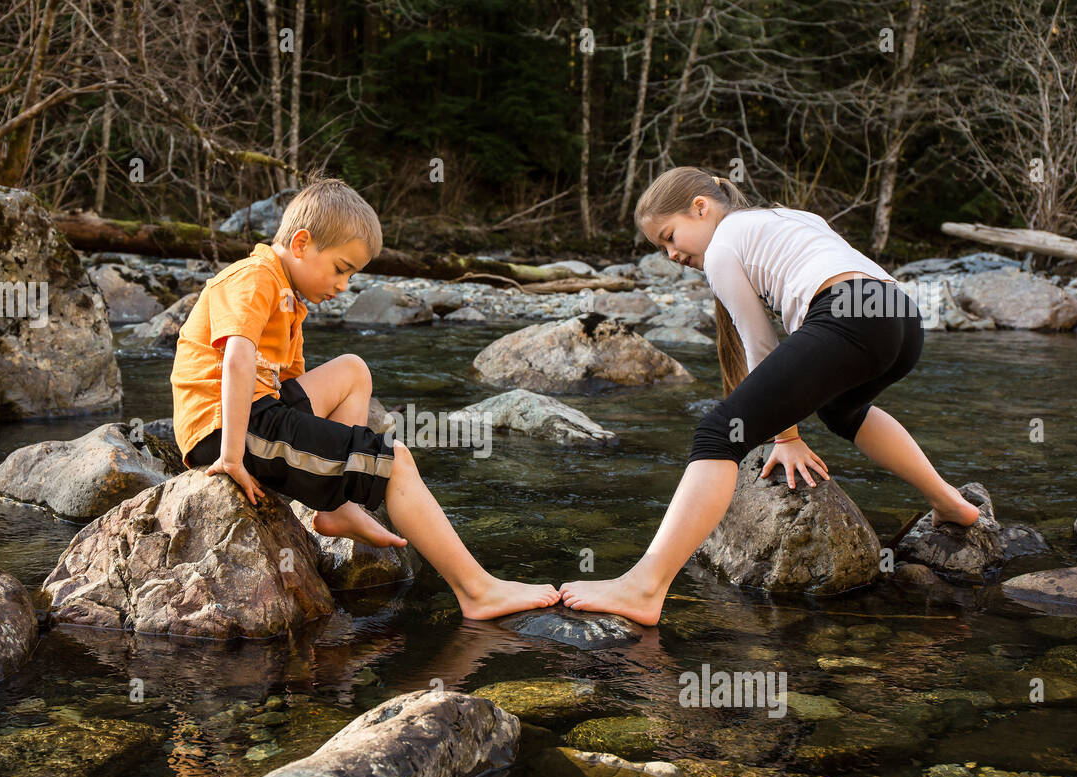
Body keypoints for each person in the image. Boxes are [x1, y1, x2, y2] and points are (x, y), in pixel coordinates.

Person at [560, 166, 979, 625]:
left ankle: (643, 587)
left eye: (670, 236)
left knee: (718, 434)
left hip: (850, 314)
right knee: (843, 409)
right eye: (661, 248)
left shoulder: (722, 247)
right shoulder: (784, 215)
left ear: (700, 208)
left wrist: (786, 437)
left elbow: (760, 345)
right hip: (900, 318)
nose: (671, 253)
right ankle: (949, 502)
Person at [171, 177, 559, 619]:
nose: (343, 285)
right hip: (229, 427)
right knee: (395, 461)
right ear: (300, 244)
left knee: (353, 371)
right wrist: (232, 457)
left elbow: (292, 392)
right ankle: (477, 592)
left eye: (352, 275)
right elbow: (236, 361)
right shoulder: (253, 277)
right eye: (340, 268)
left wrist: (331, 450)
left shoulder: (289, 299)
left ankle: (338, 507)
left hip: (260, 411)